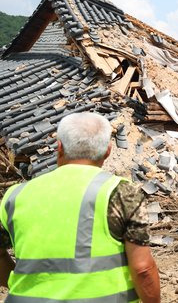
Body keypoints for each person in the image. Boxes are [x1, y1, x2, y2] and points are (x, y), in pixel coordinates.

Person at [0, 112, 160, 302]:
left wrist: (22, 284)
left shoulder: (15, 195)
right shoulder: (122, 193)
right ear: (108, 150)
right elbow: (142, 269)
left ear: (59, 147)